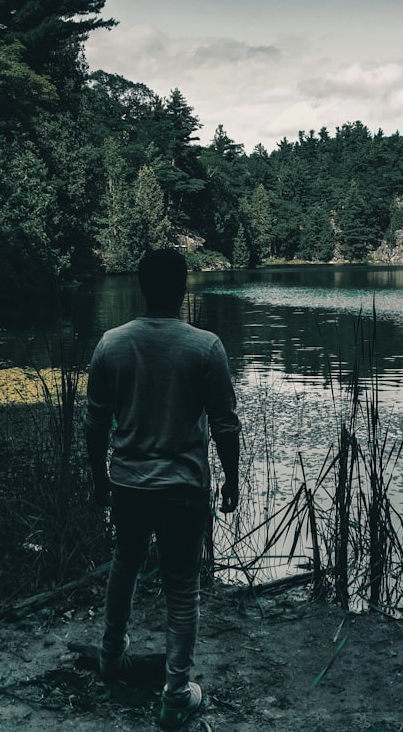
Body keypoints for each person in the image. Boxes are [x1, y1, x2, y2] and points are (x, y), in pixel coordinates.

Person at [83, 247, 241, 730]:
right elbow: (225, 425)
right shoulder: (205, 347)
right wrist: (232, 478)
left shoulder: (111, 344)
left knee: (125, 566)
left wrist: (97, 480)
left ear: (141, 286)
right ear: (183, 287)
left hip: (128, 484)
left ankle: (111, 658)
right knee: (181, 588)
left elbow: (94, 425)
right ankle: (175, 695)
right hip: (183, 490)